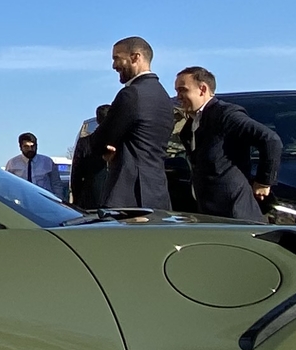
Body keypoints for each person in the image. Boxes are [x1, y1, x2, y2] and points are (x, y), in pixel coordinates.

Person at [174, 66, 282, 221]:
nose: (178, 96)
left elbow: (270, 139)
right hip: (208, 213)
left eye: (183, 90)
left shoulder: (225, 115)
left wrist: (264, 182)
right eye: (177, 91)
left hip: (235, 214)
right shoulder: (190, 126)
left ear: (202, 89)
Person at [79, 38, 176, 211]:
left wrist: (105, 150)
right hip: (157, 193)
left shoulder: (131, 95)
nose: (114, 66)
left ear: (135, 57)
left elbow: (100, 141)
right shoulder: (164, 97)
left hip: (127, 194)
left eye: (117, 58)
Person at [69, 108, 112, 211]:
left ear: (97, 120)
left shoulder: (85, 143)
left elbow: (76, 174)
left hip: (90, 199)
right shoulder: (123, 141)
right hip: (118, 199)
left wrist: (77, 200)